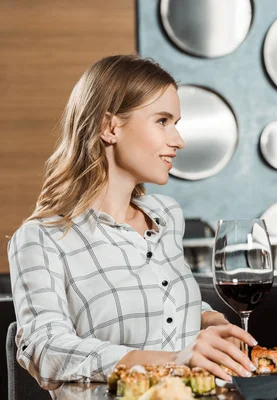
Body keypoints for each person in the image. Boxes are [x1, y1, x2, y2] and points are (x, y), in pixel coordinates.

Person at [8, 55, 257, 393]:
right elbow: (45, 350)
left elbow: (161, 298)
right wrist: (174, 361)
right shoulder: (41, 239)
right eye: (162, 121)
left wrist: (208, 318)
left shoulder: (166, 217)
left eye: (176, 122)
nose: (178, 140)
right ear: (110, 127)